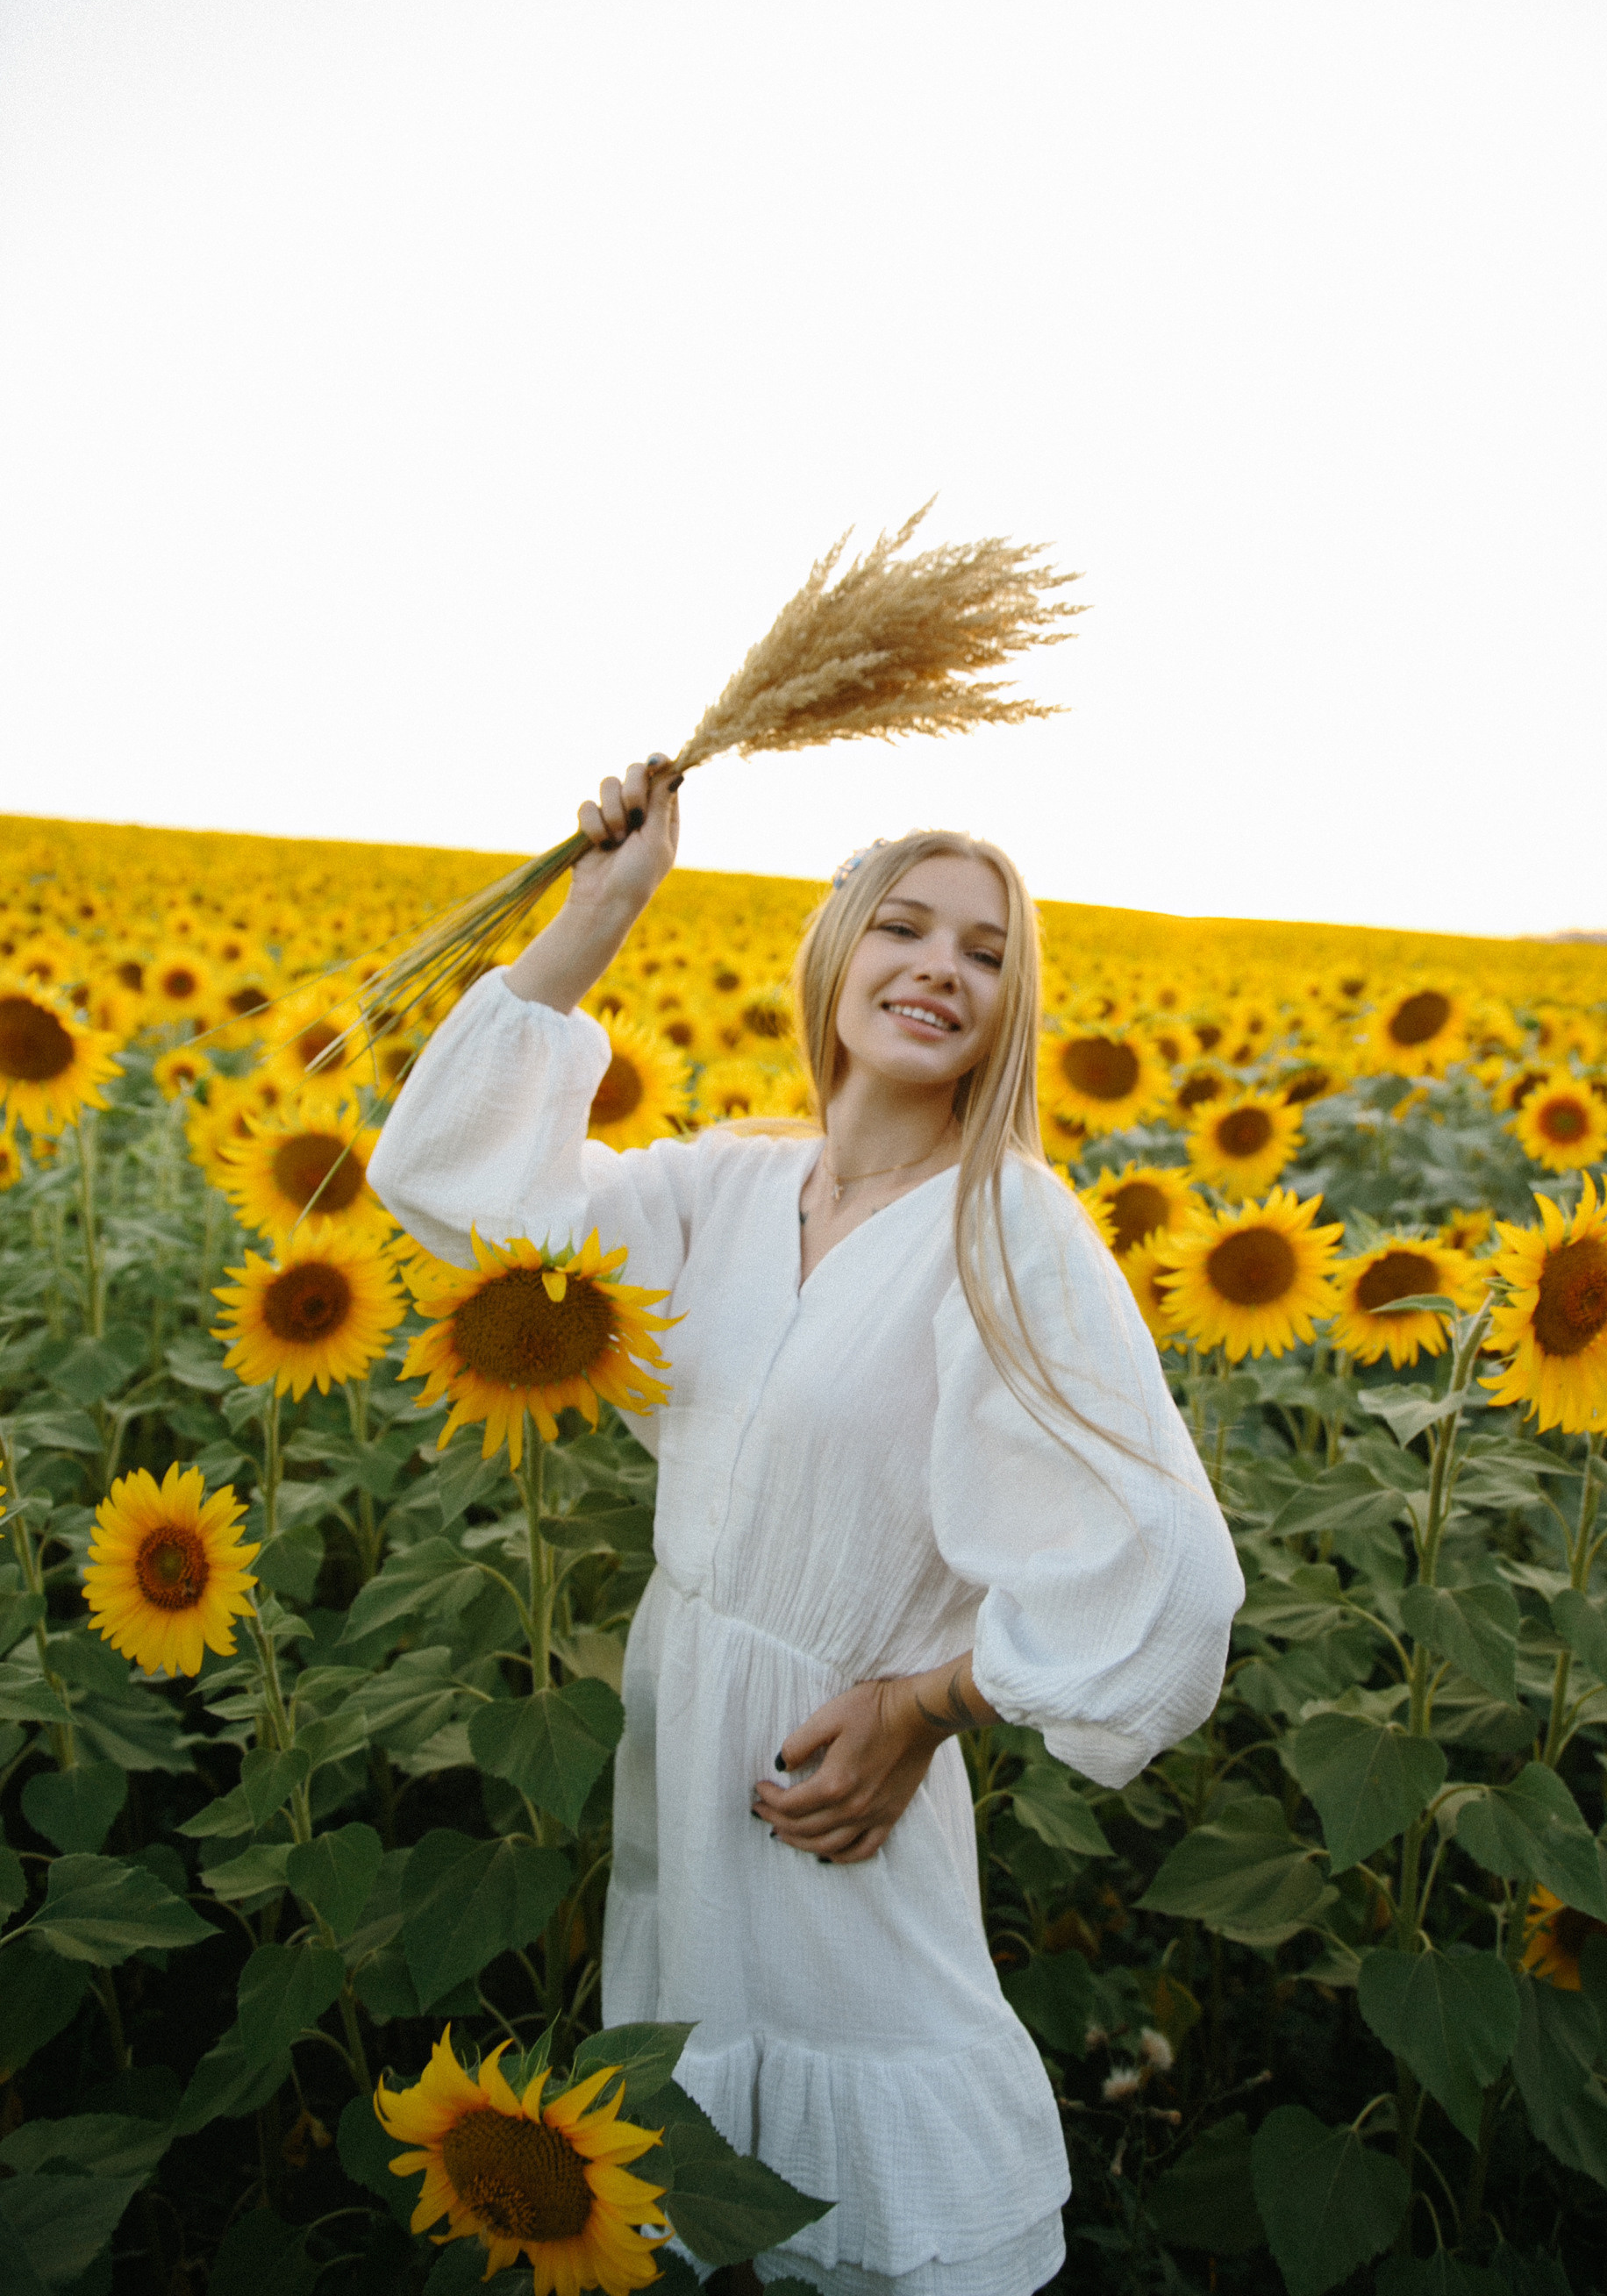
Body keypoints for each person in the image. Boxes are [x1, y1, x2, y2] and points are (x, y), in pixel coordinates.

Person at [368, 754, 1244, 2296]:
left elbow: (1169, 1574)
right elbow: (455, 1185)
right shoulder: (721, 1186)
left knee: (872, 2195)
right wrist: (605, 906)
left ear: (1012, 1008)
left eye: (987, 952)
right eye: (907, 928)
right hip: (681, 1766)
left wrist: (930, 1703)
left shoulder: (1009, 1228)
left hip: (832, 1779)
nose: (941, 971)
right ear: (837, 954)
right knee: (700, 2175)